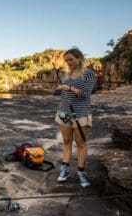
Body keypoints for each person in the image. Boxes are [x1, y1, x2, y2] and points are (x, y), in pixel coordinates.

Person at [55, 48, 96, 187]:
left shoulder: (89, 73)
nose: (68, 63)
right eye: (66, 60)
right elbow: (63, 95)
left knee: (81, 143)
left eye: (71, 59)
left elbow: (86, 94)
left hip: (81, 113)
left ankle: (81, 172)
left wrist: (69, 88)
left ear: (79, 58)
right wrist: (59, 89)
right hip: (64, 112)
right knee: (66, 141)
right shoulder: (67, 75)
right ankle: (65, 169)